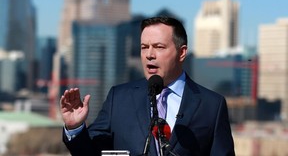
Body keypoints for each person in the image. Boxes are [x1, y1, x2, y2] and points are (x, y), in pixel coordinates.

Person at [60, 16, 235, 156]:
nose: (149, 55)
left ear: (181, 53)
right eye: (144, 47)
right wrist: (75, 127)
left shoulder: (212, 105)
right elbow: (90, 152)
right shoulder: (119, 98)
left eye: (159, 47)